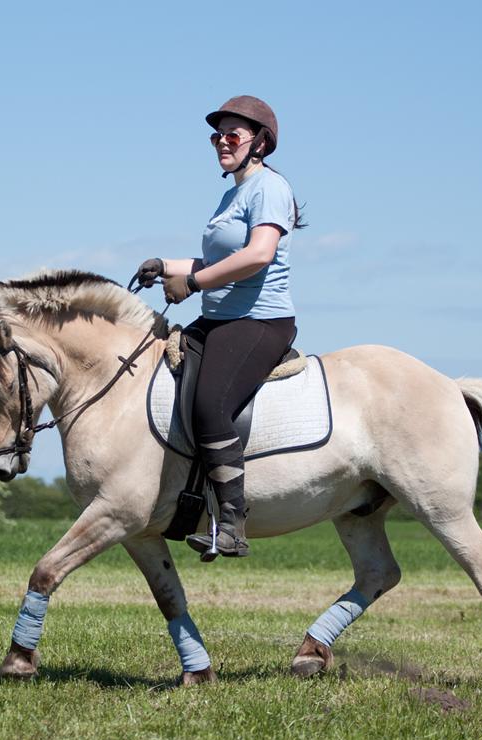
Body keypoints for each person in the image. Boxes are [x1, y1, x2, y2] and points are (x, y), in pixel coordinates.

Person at [135, 95, 304, 560]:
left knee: (211, 405)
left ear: (261, 143)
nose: (221, 144)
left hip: (259, 320)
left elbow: (256, 256)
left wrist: (190, 282)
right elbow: (218, 260)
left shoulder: (270, 187)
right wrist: (163, 264)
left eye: (232, 136)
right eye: (216, 136)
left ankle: (231, 522)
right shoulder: (233, 193)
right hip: (220, 317)